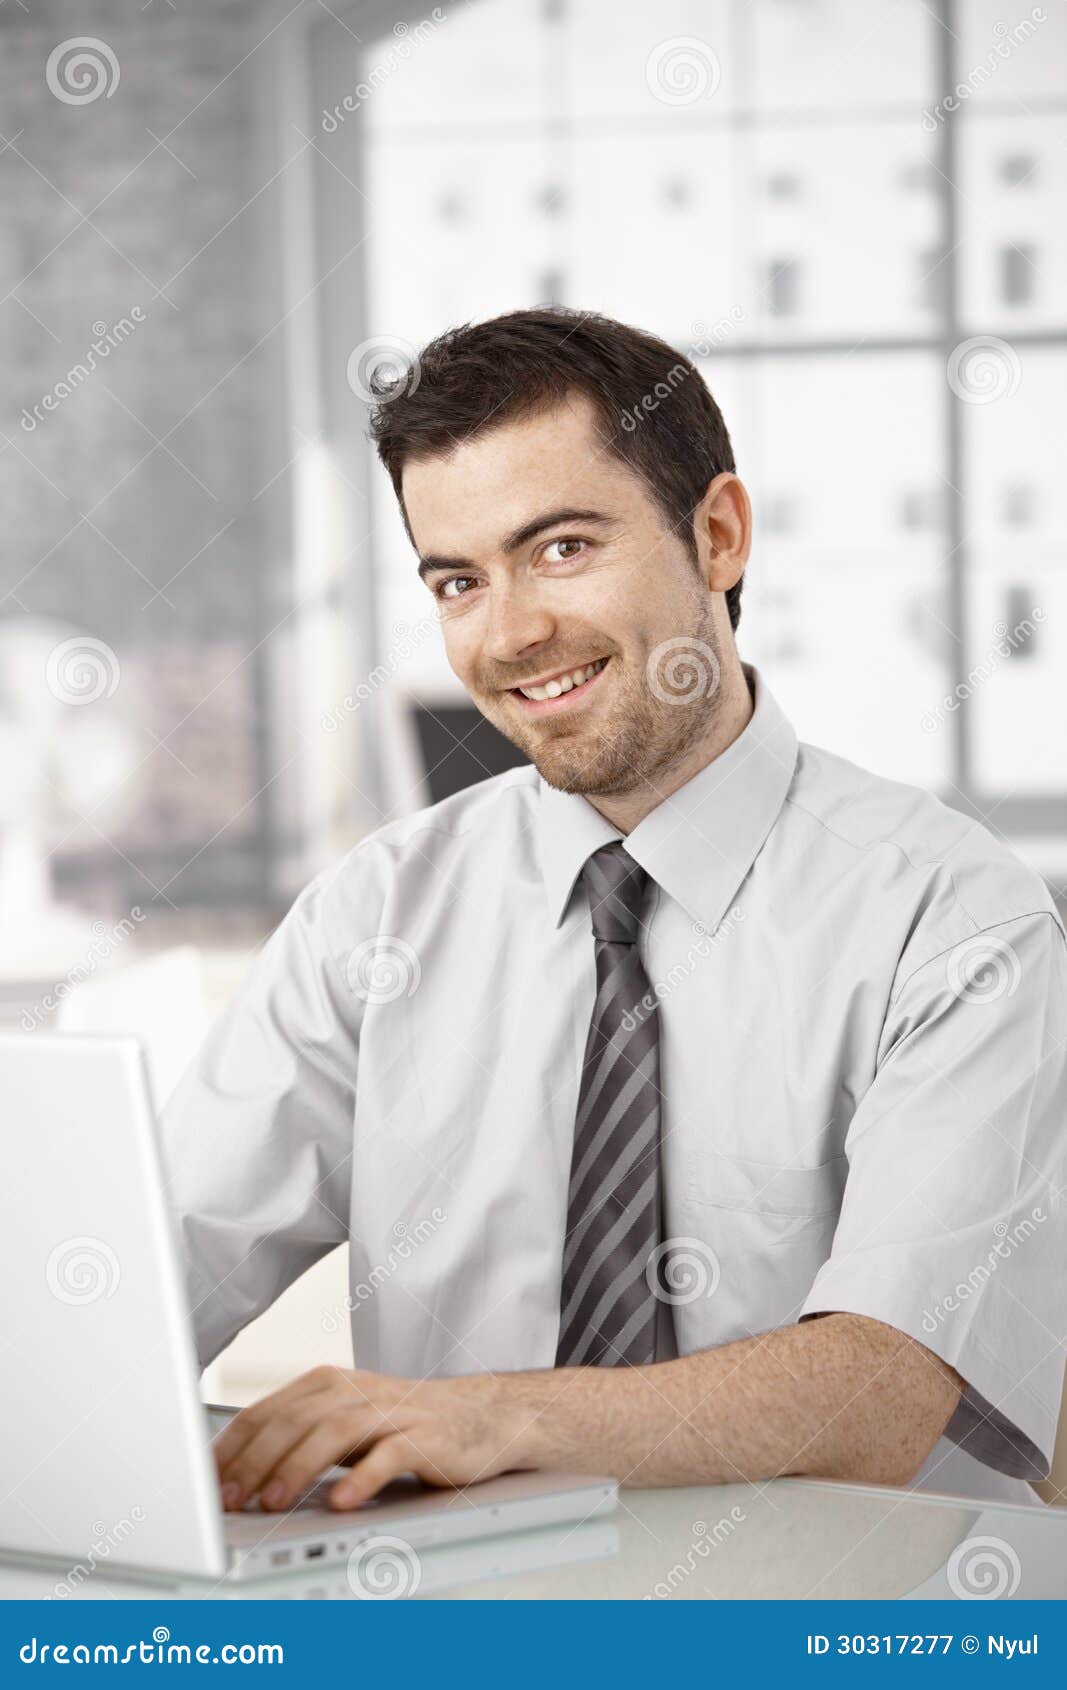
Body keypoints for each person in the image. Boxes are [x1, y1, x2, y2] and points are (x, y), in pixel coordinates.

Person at [161, 307, 1066, 1518]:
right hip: (475, 1622)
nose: (510, 633)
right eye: (457, 581)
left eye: (563, 548)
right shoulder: (370, 919)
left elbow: (884, 1387)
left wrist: (494, 1414)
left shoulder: (954, 920)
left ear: (718, 534)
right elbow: (141, 1279)